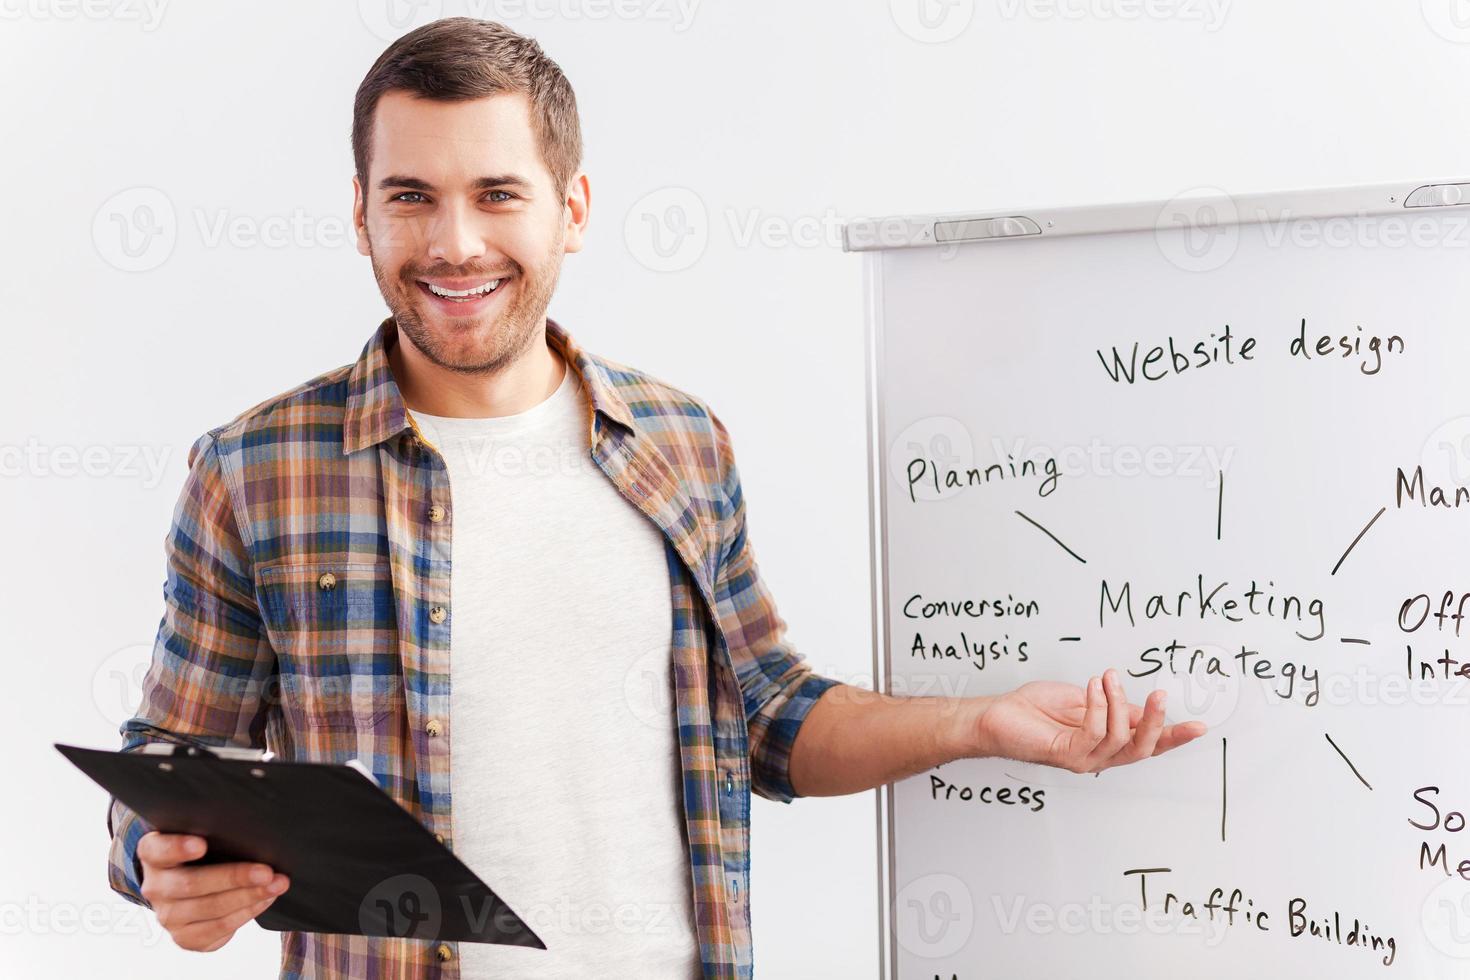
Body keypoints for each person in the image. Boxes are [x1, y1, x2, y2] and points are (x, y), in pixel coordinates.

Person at [104, 17, 1207, 979]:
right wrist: (163, 865)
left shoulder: (679, 441)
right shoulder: (254, 469)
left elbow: (770, 716)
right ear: (361, 213)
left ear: (571, 208)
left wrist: (977, 721)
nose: (454, 243)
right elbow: (166, 770)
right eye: (411, 197)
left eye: (498, 194)